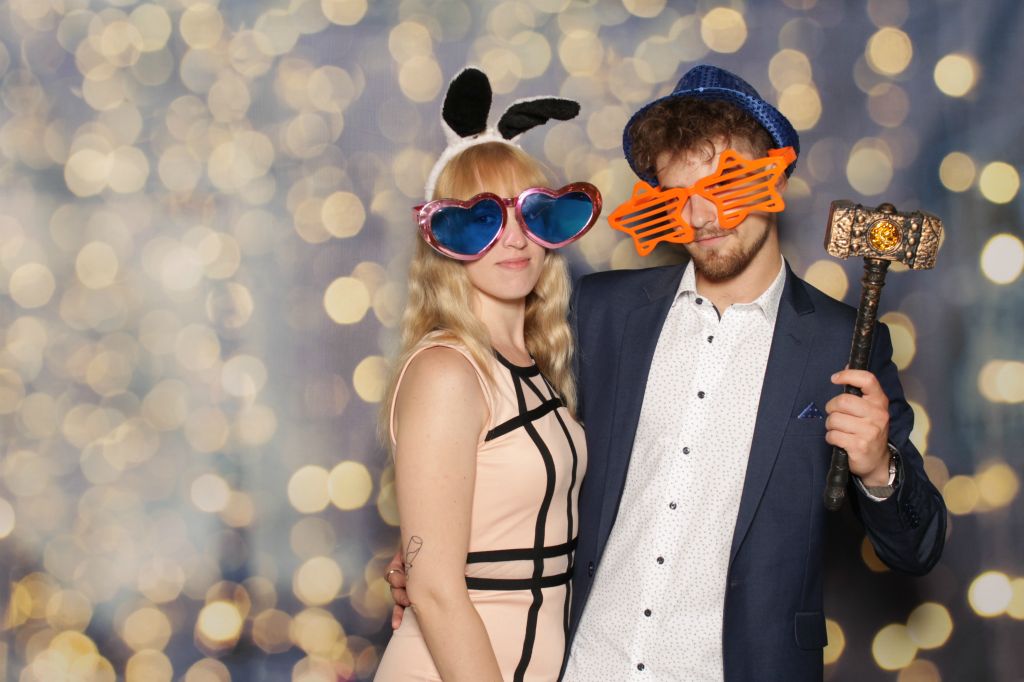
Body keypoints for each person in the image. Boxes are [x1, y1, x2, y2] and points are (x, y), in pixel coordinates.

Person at [561, 65, 946, 680]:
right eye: (677, 198)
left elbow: (919, 548)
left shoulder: (845, 344)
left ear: (777, 177)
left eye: (726, 185)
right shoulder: (601, 311)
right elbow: (530, 451)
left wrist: (879, 468)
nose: (701, 217)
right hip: (588, 663)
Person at [375, 68, 599, 681]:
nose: (515, 240)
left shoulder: (535, 365)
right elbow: (436, 591)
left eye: (532, 214)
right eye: (482, 220)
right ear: (444, 237)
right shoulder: (448, 372)